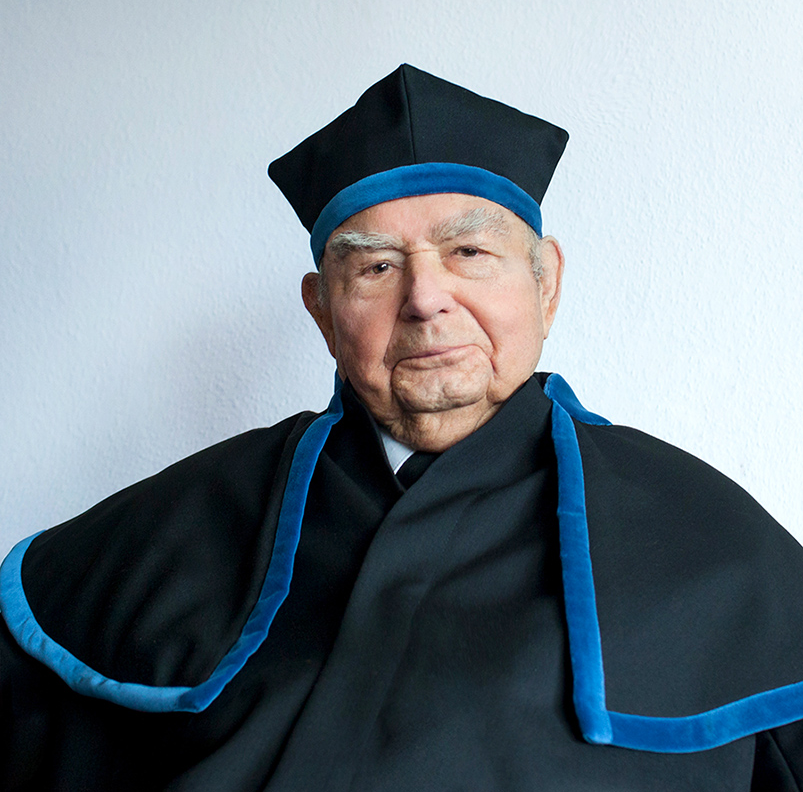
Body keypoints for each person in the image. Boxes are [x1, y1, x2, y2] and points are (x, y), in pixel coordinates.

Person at [2, 63, 803, 790]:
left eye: (468, 253)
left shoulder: (718, 549)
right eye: (376, 266)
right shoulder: (166, 531)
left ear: (546, 284)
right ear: (322, 310)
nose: (425, 298)